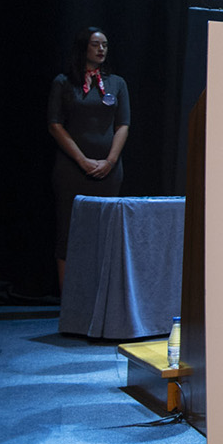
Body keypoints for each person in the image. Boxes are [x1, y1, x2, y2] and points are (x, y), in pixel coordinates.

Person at [47, 27, 131, 289]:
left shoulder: (117, 83)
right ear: (84, 48)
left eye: (105, 44)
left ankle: (99, 299)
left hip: (108, 170)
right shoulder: (64, 82)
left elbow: (123, 124)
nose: (101, 49)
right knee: (69, 232)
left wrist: (110, 161)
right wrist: (82, 160)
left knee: (104, 232)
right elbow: (54, 124)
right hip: (72, 169)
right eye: (96, 45)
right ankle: (68, 301)